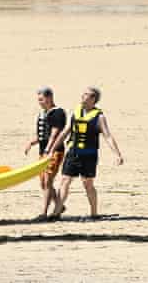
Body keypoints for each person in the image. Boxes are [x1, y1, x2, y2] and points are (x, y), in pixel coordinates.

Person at [49, 87, 123, 220]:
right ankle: (56, 212)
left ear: (93, 98)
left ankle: (94, 214)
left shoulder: (99, 117)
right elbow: (64, 133)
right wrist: (52, 150)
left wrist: (117, 154)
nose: (82, 96)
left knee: (87, 183)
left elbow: (108, 136)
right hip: (73, 152)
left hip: (89, 155)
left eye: (86, 95)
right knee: (65, 180)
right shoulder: (75, 112)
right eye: (82, 94)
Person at [24, 87, 66, 221]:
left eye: (41, 99)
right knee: (43, 182)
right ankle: (59, 206)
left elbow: (54, 133)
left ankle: (44, 212)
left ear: (49, 98)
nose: (40, 102)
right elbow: (43, 135)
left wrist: (49, 149)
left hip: (54, 152)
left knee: (48, 180)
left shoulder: (58, 113)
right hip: (43, 152)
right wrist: (32, 143)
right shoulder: (43, 113)